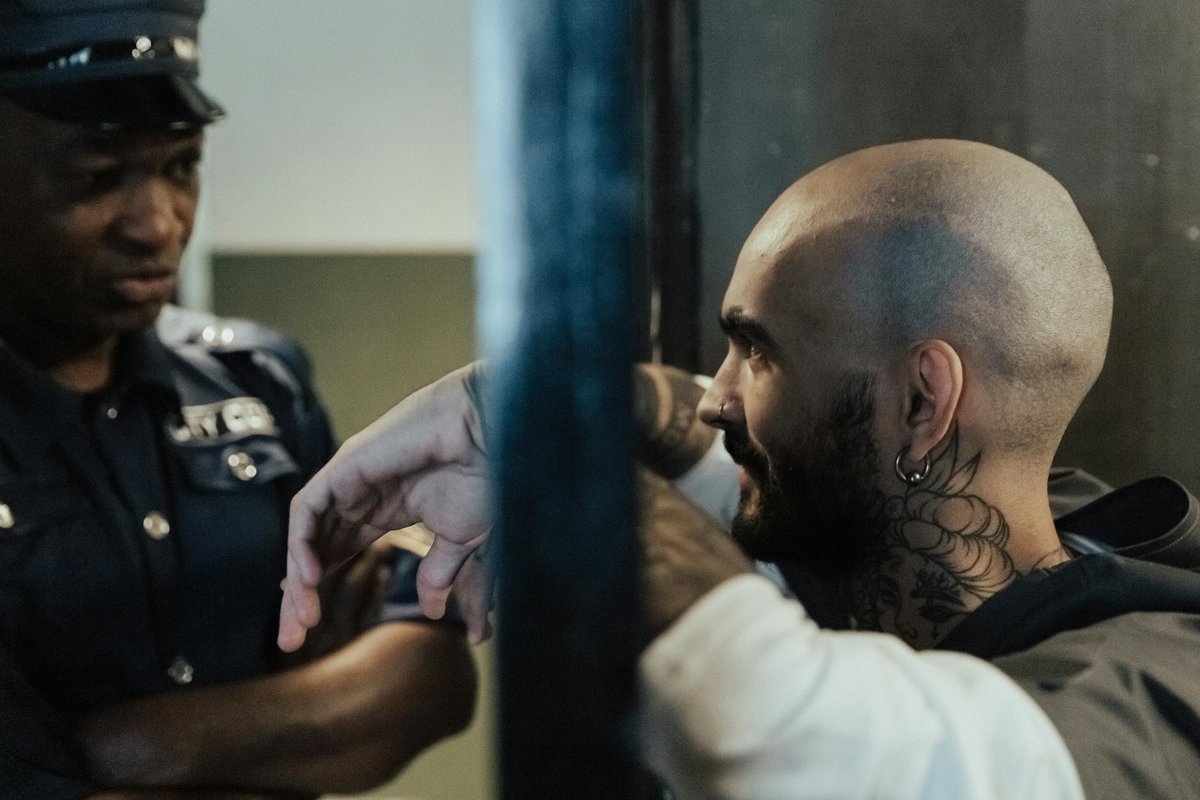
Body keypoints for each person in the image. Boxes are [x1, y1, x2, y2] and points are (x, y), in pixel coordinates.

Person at [279, 140, 1200, 798]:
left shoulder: (1154, 685)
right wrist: (500, 404)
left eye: (756, 353)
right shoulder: (874, 542)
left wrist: (567, 475)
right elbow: (700, 432)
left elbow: (807, 747)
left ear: (923, 403)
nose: (719, 394)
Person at [0, 2, 475, 798]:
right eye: (96, 180)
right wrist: (295, 734)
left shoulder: (257, 378)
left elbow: (428, 668)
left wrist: (133, 749)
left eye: (181, 166)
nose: (158, 224)